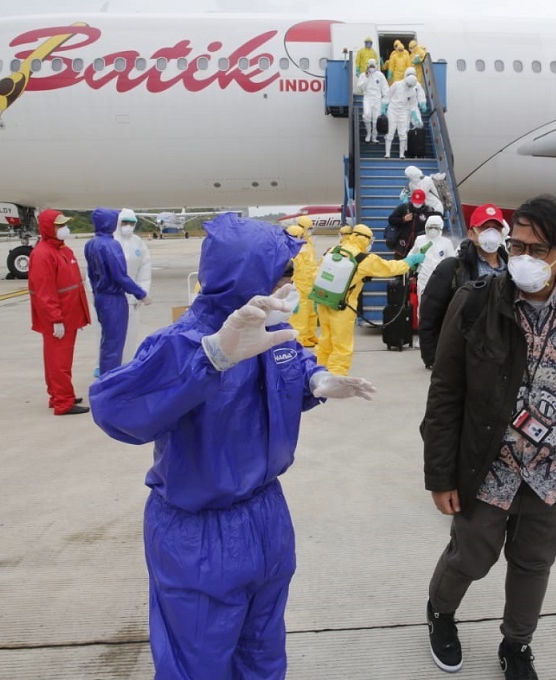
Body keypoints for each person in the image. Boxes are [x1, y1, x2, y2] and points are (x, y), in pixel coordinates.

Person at [89, 214, 376, 679]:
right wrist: (209, 359)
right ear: (249, 277)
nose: (291, 283)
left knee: (262, 651)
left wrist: (317, 379)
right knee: (196, 662)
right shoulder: (179, 343)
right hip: (199, 534)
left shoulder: (272, 332)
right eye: (283, 274)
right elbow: (117, 410)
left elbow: (291, 365)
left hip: (266, 517)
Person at [421, 195, 556, 679]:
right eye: (517, 245)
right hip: (487, 464)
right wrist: (440, 474)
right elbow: (445, 393)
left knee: (534, 564)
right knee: (470, 556)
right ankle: (441, 612)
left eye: (536, 249)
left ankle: (517, 644)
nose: (523, 258)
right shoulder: (474, 304)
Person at [315, 224, 424, 375]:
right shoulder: (363, 259)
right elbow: (391, 268)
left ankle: (318, 372)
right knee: (342, 345)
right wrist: (410, 261)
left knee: (325, 341)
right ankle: (336, 377)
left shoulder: (334, 250)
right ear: (364, 239)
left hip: (324, 302)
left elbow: (317, 273)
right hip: (343, 307)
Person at [418, 203, 509, 369]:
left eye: (496, 228)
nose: (491, 234)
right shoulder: (452, 268)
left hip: (502, 358)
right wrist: (432, 357)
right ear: (471, 234)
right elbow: (429, 312)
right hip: (464, 358)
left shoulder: (512, 270)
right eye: (485, 228)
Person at [28, 209, 92, 415]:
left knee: (59, 359)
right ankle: (63, 402)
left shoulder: (62, 250)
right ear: (49, 228)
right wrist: (55, 319)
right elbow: (44, 291)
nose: (64, 228)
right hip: (59, 318)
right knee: (59, 361)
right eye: (59, 225)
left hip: (69, 315)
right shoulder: (42, 254)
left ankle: (60, 394)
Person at [84, 207, 149, 376]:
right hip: (114, 298)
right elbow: (120, 275)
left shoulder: (91, 243)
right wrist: (141, 293)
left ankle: (106, 376)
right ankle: (112, 379)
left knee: (106, 340)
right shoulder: (111, 245)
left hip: (100, 296)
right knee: (116, 342)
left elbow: (90, 275)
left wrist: (95, 293)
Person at [115, 208, 153, 363]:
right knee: (109, 334)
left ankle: (128, 363)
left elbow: (145, 269)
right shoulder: (110, 240)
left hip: (132, 298)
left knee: (131, 333)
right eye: (125, 222)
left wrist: (142, 293)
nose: (128, 226)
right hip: (111, 297)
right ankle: (105, 364)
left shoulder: (138, 243)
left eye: (132, 223)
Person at [285, 216, 319, 347]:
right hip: (299, 284)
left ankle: (310, 335)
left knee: (311, 311)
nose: (310, 231)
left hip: (309, 283)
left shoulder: (306, 241)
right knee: (300, 314)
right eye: (309, 228)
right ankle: (300, 339)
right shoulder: (294, 244)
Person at [408, 214, 453, 301]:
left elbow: (452, 262)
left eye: (436, 227)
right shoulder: (420, 240)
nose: (433, 230)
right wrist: (411, 267)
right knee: (422, 304)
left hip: (441, 279)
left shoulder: (446, 243)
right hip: (423, 277)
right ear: (426, 226)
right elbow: (411, 255)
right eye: (430, 227)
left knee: (439, 305)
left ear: (440, 228)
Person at [382, 70, 426, 159]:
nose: (409, 87)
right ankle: (387, 153)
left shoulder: (413, 91)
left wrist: (415, 116)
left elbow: (413, 105)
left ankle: (401, 154)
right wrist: (384, 106)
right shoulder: (396, 85)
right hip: (393, 110)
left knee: (403, 133)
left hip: (404, 112)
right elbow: (388, 95)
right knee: (390, 132)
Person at [386, 189, 441, 259]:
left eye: (419, 202)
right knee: (399, 266)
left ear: (424, 201)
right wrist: (403, 219)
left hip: (419, 245)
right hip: (402, 246)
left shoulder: (428, 211)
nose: (417, 204)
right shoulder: (404, 208)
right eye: (415, 202)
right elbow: (391, 220)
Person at [356, 58, 389, 144]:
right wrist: (366, 78)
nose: (371, 67)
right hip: (367, 97)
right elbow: (359, 87)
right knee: (366, 115)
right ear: (367, 65)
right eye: (370, 66)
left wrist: (385, 101)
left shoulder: (380, 75)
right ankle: (368, 134)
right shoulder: (363, 75)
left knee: (376, 119)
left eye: (373, 66)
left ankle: (374, 137)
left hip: (377, 99)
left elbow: (385, 88)